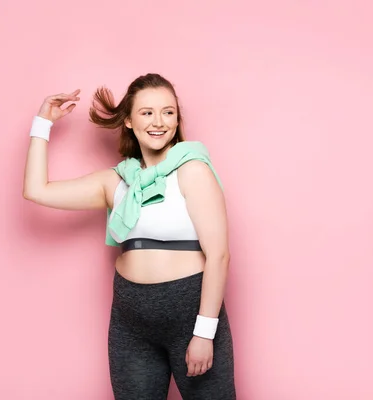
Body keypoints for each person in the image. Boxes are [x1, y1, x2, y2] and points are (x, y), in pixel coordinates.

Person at [22, 73, 237, 399]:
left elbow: (219, 255)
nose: (159, 121)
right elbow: (36, 191)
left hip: (190, 313)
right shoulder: (116, 181)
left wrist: (205, 332)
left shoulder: (193, 170)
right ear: (128, 121)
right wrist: (42, 123)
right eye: (147, 112)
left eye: (168, 112)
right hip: (131, 320)